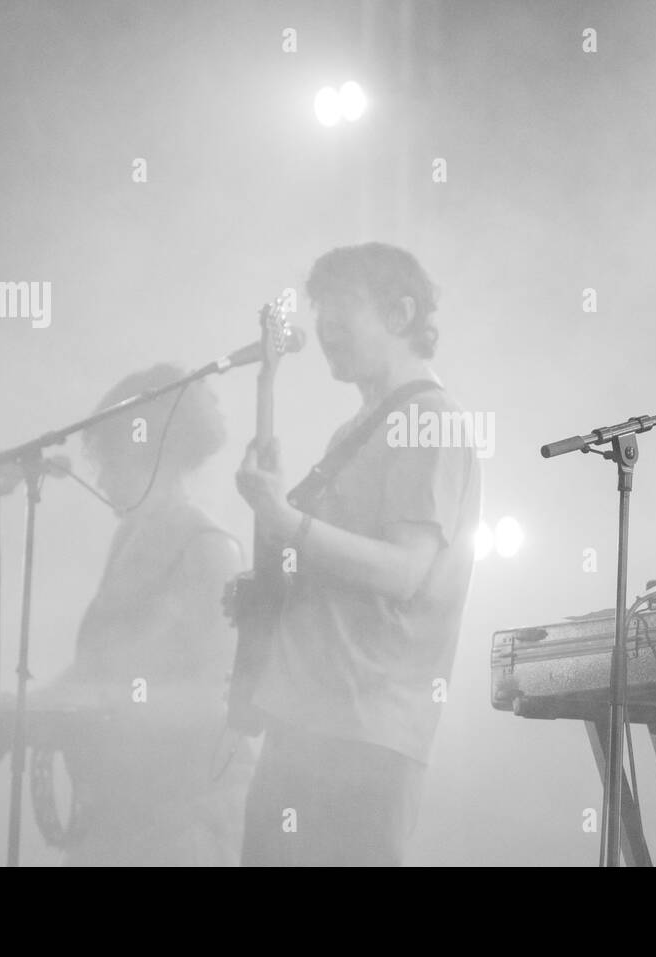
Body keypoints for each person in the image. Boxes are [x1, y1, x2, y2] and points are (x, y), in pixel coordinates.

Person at [234, 243, 481, 866]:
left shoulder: (429, 420)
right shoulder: (357, 429)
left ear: (400, 315)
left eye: (341, 307)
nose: (324, 327)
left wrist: (286, 519)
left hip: (366, 729)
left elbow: (404, 571)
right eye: (321, 310)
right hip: (307, 716)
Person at [41, 364, 251, 866]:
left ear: (152, 454)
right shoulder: (127, 538)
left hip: (182, 828)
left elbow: (224, 702)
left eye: (110, 461)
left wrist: (107, 702)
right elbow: (100, 662)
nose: (101, 477)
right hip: (115, 814)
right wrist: (34, 705)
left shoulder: (210, 549)